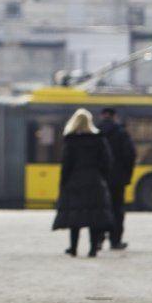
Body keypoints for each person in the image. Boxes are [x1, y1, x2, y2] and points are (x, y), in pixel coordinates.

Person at [52, 108, 114, 257]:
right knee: (94, 217)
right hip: (94, 181)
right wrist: (102, 178)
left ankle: (73, 248)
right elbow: (107, 161)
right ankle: (93, 249)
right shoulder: (99, 139)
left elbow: (66, 164)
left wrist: (63, 183)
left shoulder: (71, 140)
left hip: (75, 181)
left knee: (75, 217)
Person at [97, 107, 137, 251]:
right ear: (115, 117)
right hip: (117, 179)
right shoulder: (122, 133)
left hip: (99, 178)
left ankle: (98, 240)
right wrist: (126, 175)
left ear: (102, 116)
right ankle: (115, 241)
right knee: (117, 209)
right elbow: (130, 155)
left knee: (100, 208)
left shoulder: (95, 132)